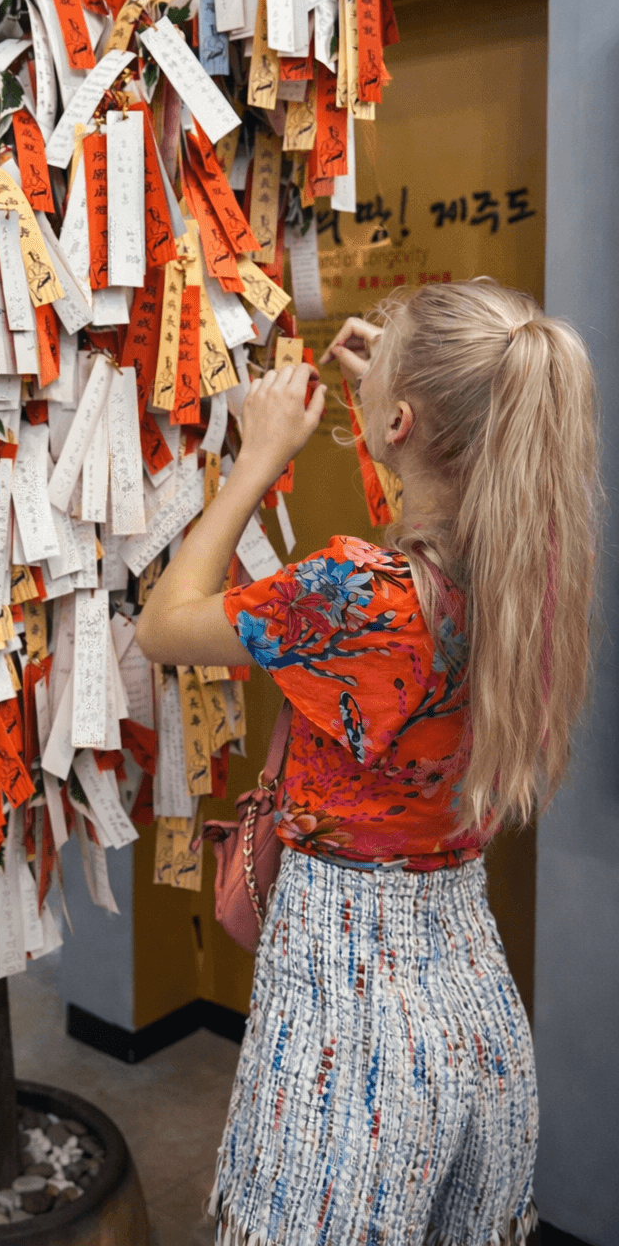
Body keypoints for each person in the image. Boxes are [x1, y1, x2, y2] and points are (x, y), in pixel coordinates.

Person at [136, 280, 601, 1246]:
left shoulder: (357, 595)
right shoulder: (525, 580)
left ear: (399, 422)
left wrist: (257, 459)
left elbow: (165, 626)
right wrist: (389, 408)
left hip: (349, 1021)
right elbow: (432, 523)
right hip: (474, 1015)